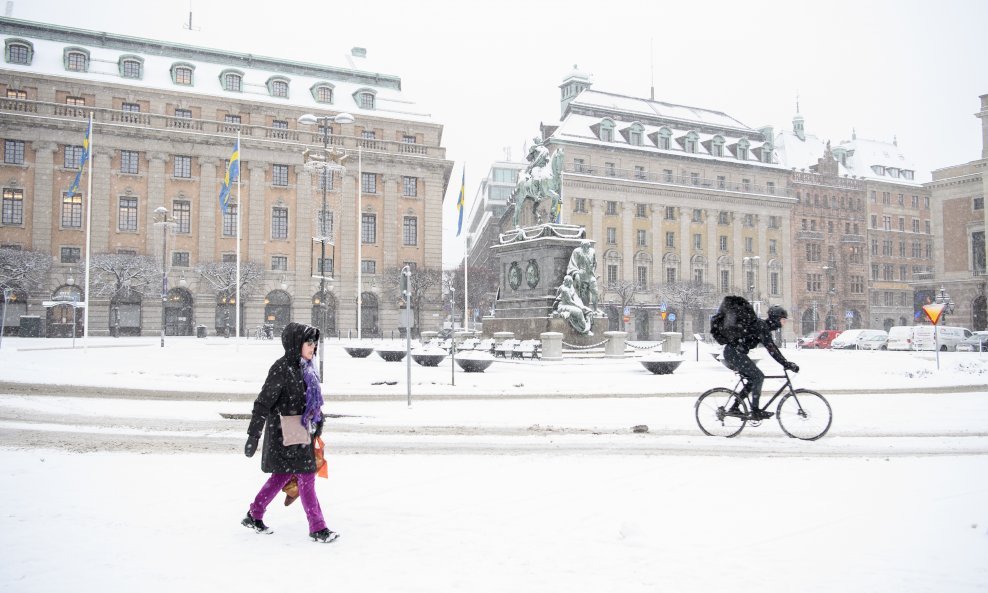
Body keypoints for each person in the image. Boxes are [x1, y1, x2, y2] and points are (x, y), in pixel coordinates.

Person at [242, 321, 338, 543]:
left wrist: (318, 420)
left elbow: (310, 402)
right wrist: (253, 435)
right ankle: (317, 526)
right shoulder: (281, 368)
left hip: (301, 432)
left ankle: (254, 513)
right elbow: (263, 403)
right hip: (284, 434)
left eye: (314, 344)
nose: (313, 348)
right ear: (296, 344)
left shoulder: (307, 369)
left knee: (283, 475)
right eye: (309, 343)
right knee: (305, 477)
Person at [722, 305, 799, 420]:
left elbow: (772, 347)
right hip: (733, 353)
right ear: (776, 319)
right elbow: (771, 349)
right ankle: (755, 411)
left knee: (753, 380)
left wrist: (785, 363)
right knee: (758, 376)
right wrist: (786, 364)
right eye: (783, 320)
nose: (784, 323)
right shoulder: (762, 326)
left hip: (735, 353)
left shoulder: (763, 327)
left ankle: (734, 407)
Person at [566, 240, 600, 312]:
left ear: (589, 246)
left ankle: (595, 309)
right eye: (584, 246)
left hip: (590, 274)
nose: (585, 248)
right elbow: (573, 263)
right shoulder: (577, 251)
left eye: (587, 246)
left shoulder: (592, 251)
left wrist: (593, 270)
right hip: (580, 274)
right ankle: (580, 306)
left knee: (595, 291)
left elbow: (595, 263)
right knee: (580, 293)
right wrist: (575, 273)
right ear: (581, 246)